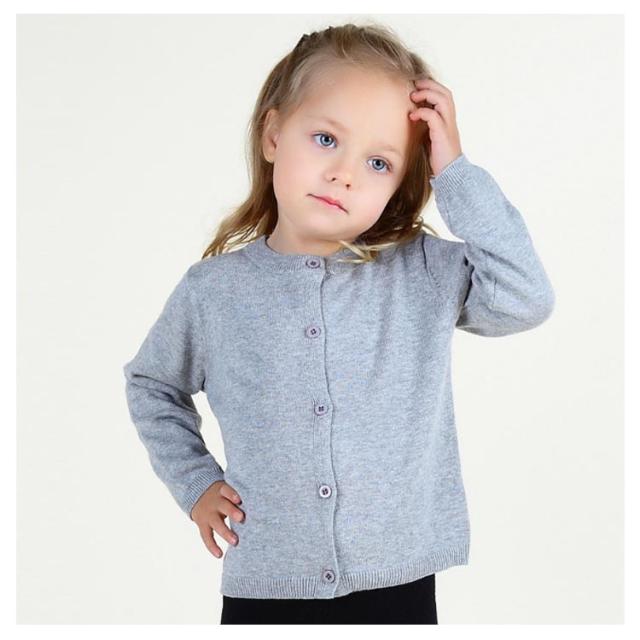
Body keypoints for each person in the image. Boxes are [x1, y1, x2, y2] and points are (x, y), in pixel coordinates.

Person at [123, 22, 555, 625]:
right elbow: (152, 384)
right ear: (273, 134)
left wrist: (455, 171)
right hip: (267, 584)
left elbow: (525, 297)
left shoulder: (423, 272)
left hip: (399, 582)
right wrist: (195, 483)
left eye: (379, 162)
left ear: (402, 183)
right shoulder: (215, 291)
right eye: (326, 138)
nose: (345, 173)